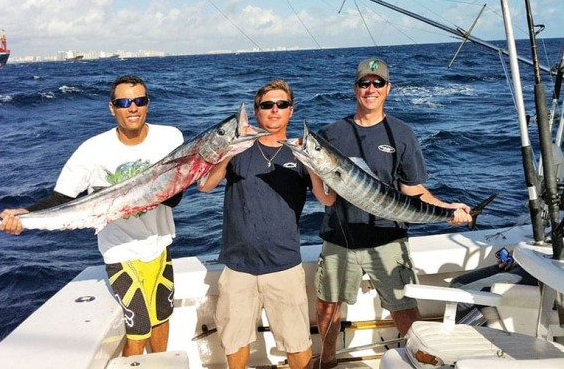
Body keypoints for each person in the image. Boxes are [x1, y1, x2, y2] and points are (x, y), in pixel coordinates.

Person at [0, 74, 184, 356]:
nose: (132, 107)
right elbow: (61, 199)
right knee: (139, 330)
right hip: (119, 252)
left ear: (147, 104)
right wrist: (24, 215)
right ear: (112, 108)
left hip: (160, 245)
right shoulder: (92, 149)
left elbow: (176, 199)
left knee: (162, 318)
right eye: (124, 102)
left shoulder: (170, 137)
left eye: (139, 100)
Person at [313, 58, 473, 368]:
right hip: (339, 237)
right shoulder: (330, 134)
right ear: (354, 88)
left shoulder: (401, 134)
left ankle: (423, 361)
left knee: (403, 308)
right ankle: (328, 360)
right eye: (364, 83)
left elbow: (413, 191)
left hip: (389, 239)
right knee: (327, 306)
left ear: (388, 88)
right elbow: (325, 193)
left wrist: (448, 209)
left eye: (377, 83)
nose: (370, 89)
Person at [198, 79, 335, 369]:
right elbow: (205, 185)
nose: (274, 110)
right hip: (238, 266)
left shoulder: (299, 153)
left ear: (291, 111)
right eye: (266, 105)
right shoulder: (240, 150)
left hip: (284, 264)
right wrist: (227, 153)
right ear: (258, 112)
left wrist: (312, 163)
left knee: (297, 344)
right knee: (235, 342)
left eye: (281, 105)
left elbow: (327, 199)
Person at [450, 248, 537, 324]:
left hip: (537, 273)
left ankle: (467, 338)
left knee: (463, 298)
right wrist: (519, 253)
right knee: (457, 283)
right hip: (528, 259)